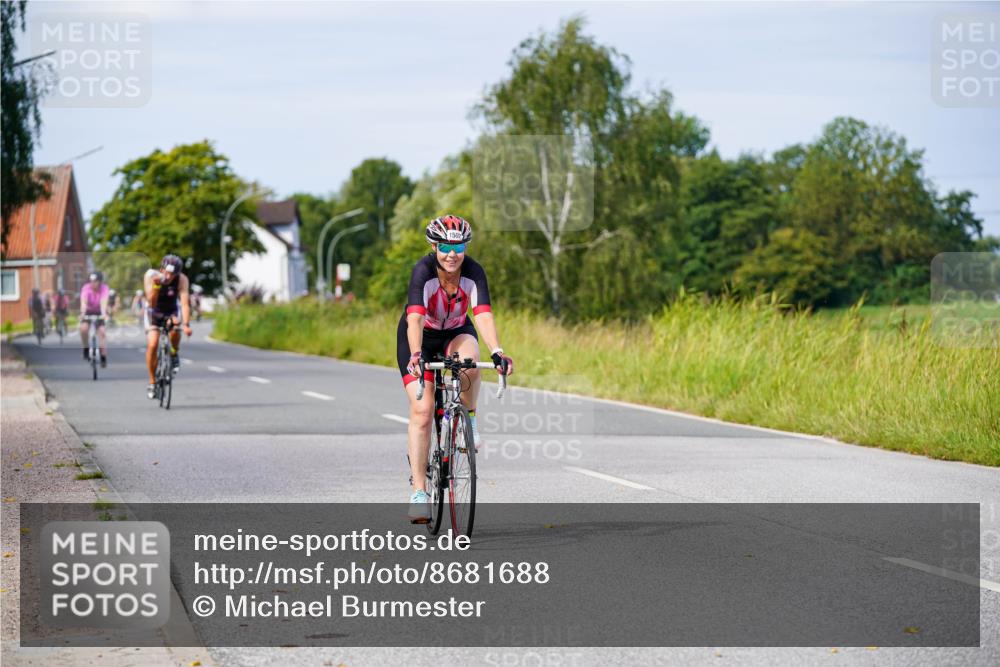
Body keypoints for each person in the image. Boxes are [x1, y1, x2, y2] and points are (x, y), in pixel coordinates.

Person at [398, 215, 513, 523]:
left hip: (456, 332)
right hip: (420, 336)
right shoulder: (423, 271)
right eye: (446, 246)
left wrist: (498, 351)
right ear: (434, 245)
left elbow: (483, 314)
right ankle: (420, 491)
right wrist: (416, 354)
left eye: (459, 245)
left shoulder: (474, 272)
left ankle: (469, 417)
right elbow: (415, 319)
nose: (452, 253)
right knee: (422, 411)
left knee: (470, 364)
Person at [144, 254, 192, 399]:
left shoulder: (182, 279)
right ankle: (152, 382)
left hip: (171, 310)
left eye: (172, 274)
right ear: (161, 269)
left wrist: (186, 324)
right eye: (166, 272)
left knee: (176, 328)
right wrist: (157, 285)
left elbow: (184, 303)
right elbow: (151, 302)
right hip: (154, 310)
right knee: (153, 344)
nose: (168, 276)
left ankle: (173, 352)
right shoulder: (151, 276)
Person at [78, 272, 109, 366]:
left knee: (102, 332)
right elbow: (84, 302)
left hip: (99, 311)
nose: (93, 283)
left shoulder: (104, 288)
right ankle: (86, 348)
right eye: (91, 281)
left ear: (100, 282)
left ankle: (103, 355)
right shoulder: (86, 288)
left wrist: (104, 314)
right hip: (88, 311)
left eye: (95, 281)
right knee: (83, 329)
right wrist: (83, 313)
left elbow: (104, 302)